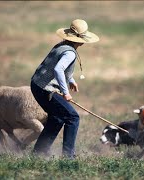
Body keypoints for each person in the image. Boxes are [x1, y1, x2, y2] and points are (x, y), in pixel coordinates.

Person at [30, 19, 99, 158]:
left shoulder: (62, 45)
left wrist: (71, 80)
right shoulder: (70, 53)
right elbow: (58, 69)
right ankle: (68, 157)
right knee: (73, 117)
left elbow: (57, 66)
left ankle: (39, 152)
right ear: (81, 40)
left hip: (37, 85)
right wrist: (66, 92)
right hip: (46, 89)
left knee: (57, 118)